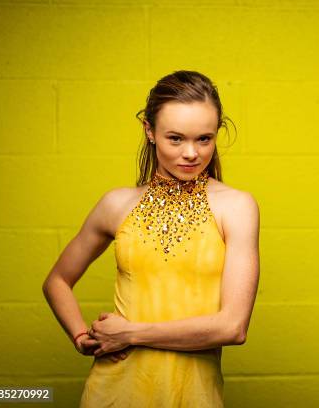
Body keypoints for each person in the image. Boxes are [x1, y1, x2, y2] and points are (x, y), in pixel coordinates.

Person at [42, 70, 260, 407]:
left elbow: (232, 327)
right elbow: (57, 280)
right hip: (113, 390)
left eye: (204, 138)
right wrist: (80, 336)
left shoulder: (236, 207)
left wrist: (131, 333)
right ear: (150, 131)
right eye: (176, 138)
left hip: (192, 395)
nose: (191, 153)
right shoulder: (117, 203)